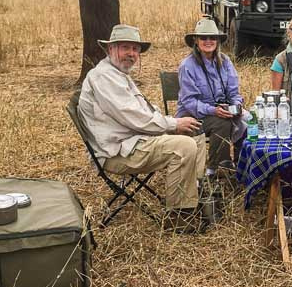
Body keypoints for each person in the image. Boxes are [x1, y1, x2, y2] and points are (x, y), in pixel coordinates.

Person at [78, 24, 207, 233]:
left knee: (195, 134)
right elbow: (134, 118)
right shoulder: (104, 77)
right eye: (125, 47)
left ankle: (192, 195)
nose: (131, 54)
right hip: (119, 152)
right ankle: (179, 217)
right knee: (184, 146)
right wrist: (172, 124)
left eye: (135, 49)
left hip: (133, 140)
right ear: (110, 49)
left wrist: (171, 124)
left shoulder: (117, 73)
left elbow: (142, 112)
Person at [176, 17, 245, 179]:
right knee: (222, 122)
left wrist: (236, 106)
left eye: (212, 37)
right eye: (203, 38)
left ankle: (241, 167)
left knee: (248, 121)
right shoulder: (187, 65)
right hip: (192, 114)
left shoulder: (225, 62)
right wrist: (213, 110)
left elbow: (234, 92)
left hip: (220, 110)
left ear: (218, 41)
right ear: (196, 41)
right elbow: (189, 102)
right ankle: (216, 169)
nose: (208, 41)